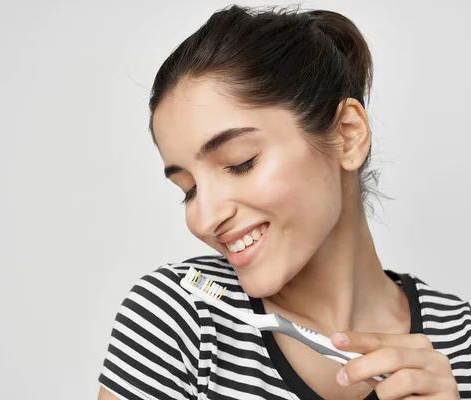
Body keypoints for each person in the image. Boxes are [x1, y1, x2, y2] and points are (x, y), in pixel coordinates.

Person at [97, 5, 470, 399]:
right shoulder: (178, 316)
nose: (205, 218)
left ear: (348, 134)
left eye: (240, 163)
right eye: (188, 189)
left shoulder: (461, 341)